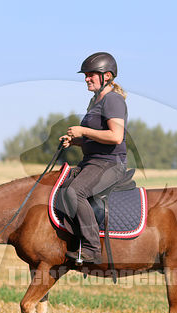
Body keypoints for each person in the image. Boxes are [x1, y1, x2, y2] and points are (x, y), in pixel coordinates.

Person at [59, 52, 129, 264]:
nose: (86, 78)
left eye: (91, 75)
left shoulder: (113, 100)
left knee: (74, 192)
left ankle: (91, 248)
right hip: (91, 162)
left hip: (110, 164)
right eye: (86, 75)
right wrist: (75, 141)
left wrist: (83, 131)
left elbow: (116, 136)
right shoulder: (95, 101)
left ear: (106, 76)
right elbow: (97, 139)